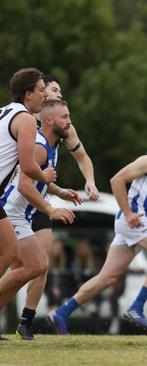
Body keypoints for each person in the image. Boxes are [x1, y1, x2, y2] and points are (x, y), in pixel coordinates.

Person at [49, 120, 147, 334]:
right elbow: (117, 179)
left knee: (106, 278)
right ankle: (137, 306)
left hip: (138, 223)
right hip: (132, 219)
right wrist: (127, 212)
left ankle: (62, 312)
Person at [16, 74, 100, 340]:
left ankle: (25, 322)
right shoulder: (29, 121)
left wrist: (87, 183)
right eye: (50, 90)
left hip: (36, 205)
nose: (53, 94)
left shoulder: (62, 127)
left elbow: (82, 157)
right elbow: (24, 181)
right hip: (15, 205)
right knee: (19, 264)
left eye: (56, 92)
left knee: (41, 264)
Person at [0, 99, 79, 315]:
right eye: (65, 117)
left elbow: (38, 179)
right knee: (35, 266)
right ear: (49, 120)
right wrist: (50, 209)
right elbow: (25, 186)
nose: (69, 123)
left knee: (26, 269)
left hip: (19, 215)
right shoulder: (40, 147)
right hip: (11, 212)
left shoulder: (51, 146)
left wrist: (59, 191)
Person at [0, 68, 57, 296]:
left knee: (13, 252)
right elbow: (28, 166)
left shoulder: (4, 111)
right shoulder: (25, 119)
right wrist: (45, 177)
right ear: (27, 93)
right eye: (41, 90)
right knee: (10, 252)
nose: (45, 95)